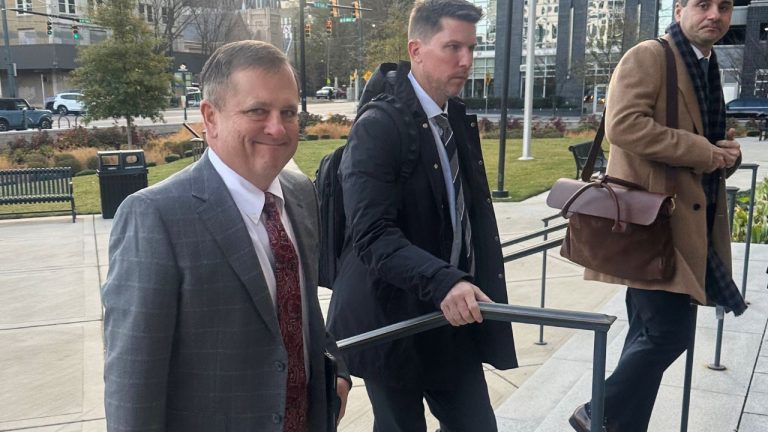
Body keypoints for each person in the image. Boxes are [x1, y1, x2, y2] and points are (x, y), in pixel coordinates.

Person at [101, 40, 350, 432]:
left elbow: (301, 310)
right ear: (210, 118)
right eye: (257, 111)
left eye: (288, 112)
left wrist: (334, 367)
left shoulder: (301, 194)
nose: (277, 127)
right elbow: (134, 379)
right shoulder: (156, 217)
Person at [326, 1, 517, 431]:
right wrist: (444, 280)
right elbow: (372, 234)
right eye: (452, 47)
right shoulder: (379, 126)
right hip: (392, 319)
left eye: (471, 47)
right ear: (416, 49)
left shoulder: (456, 118)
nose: (466, 60)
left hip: (448, 318)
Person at [568, 0, 746, 431]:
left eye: (724, 7)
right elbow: (623, 125)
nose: (715, 15)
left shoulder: (707, 64)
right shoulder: (650, 56)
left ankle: (616, 424)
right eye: (703, 5)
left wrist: (728, 154)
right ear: (680, 7)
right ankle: (598, 410)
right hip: (655, 226)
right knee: (667, 335)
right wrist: (704, 152)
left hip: (688, 224)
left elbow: (708, 138)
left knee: (646, 337)